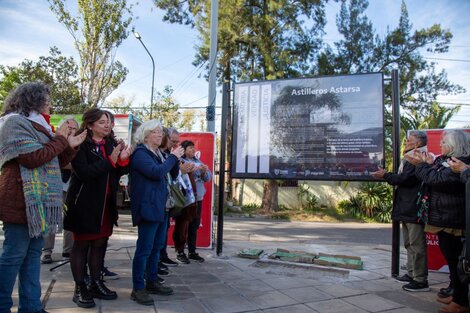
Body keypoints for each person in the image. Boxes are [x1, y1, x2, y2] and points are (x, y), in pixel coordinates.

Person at [0, 82, 86, 313]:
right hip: (21, 200)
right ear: (34, 100)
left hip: (38, 205)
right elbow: (32, 158)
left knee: (32, 257)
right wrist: (59, 139)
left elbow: (52, 161)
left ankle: (31, 307)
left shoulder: (40, 126)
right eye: (47, 100)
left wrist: (70, 146)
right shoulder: (13, 122)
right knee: (13, 256)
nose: (50, 104)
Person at [63, 108, 132, 308]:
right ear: (90, 124)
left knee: (100, 244)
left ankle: (95, 282)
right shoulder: (80, 144)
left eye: (109, 122)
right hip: (84, 204)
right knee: (82, 245)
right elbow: (84, 173)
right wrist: (110, 161)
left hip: (106, 205)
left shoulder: (110, 143)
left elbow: (117, 172)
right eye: (102, 122)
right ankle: (80, 287)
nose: (107, 125)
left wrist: (124, 159)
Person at [406, 130, 470, 313]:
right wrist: (428, 163)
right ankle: (458, 294)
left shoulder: (460, 163)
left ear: (454, 144)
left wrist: (421, 166)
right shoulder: (447, 161)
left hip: (453, 220)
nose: (440, 144)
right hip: (445, 218)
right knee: (452, 261)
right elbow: (434, 173)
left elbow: (435, 179)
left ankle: (461, 302)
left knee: (457, 262)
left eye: (443, 141)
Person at [129, 120, 184, 305]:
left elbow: (173, 175)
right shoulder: (140, 154)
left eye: (161, 132)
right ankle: (138, 288)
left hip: (161, 207)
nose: (160, 135)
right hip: (148, 207)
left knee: (156, 247)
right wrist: (172, 158)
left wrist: (173, 157)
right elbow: (155, 172)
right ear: (145, 135)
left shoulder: (160, 153)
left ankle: (151, 281)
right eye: (156, 132)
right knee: (144, 249)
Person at [371, 130, 430, 292]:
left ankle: (420, 279)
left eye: (408, 141)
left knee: (417, 245)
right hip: (406, 206)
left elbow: (406, 179)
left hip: (414, 206)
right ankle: (411, 273)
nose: (405, 143)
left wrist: (385, 175)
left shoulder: (418, 158)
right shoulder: (410, 157)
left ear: (418, 143)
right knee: (409, 243)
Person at [41, 116, 79, 264]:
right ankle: (46, 251)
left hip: (72, 186)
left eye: (74, 128)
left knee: (69, 219)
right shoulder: (54, 141)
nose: (71, 130)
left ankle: (68, 250)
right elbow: (54, 161)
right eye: (68, 127)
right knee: (51, 218)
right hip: (54, 186)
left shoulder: (79, 143)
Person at [179, 140, 212, 263]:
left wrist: (203, 171)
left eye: (194, 148)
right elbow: (186, 171)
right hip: (185, 199)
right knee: (182, 226)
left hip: (198, 199)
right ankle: (180, 252)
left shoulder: (198, 161)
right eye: (190, 148)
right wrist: (196, 169)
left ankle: (192, 251)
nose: (193, 150)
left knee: (194, 225)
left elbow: (208, 177)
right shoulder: (180, 161)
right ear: (184, 150)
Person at [158, 127, 181, 268]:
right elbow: (158, 172)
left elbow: (173, 174)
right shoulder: (149, 154)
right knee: (152, 240)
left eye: (177, 142)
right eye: (172, 141)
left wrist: (175, 160)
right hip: (156, 202)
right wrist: (172, 158)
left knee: (162, 233)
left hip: (166, 200)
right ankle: (153, 267)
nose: (174, 144)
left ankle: (160, 259)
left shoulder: (168, 154)